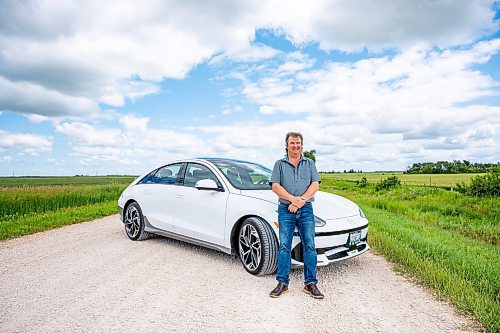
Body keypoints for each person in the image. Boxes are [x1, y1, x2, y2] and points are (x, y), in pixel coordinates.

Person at [269, 132, 324, 299]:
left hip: (306, 209)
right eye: (292, 143)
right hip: (286, 209)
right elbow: (275, 187)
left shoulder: (309, 163)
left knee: (310, 245)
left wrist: (301, 201)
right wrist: (293, 200)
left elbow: (315, 185)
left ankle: (310, 283)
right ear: (286, 145)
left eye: (298, 143)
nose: (295, 146)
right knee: (284, 246)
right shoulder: (279, 164)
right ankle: (282, 283)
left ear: (302, 145)